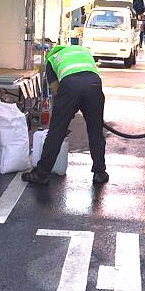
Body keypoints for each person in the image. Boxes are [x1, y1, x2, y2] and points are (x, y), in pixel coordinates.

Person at [22, 44, 108, 185]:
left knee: (56, 132)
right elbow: (87, 74)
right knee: (95, 130)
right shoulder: (83, 51)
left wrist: (65, 114)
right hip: (94, 85)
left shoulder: (52, 59)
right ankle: (100, 172)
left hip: (70, 85)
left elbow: (56, 91)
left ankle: (42, 173)